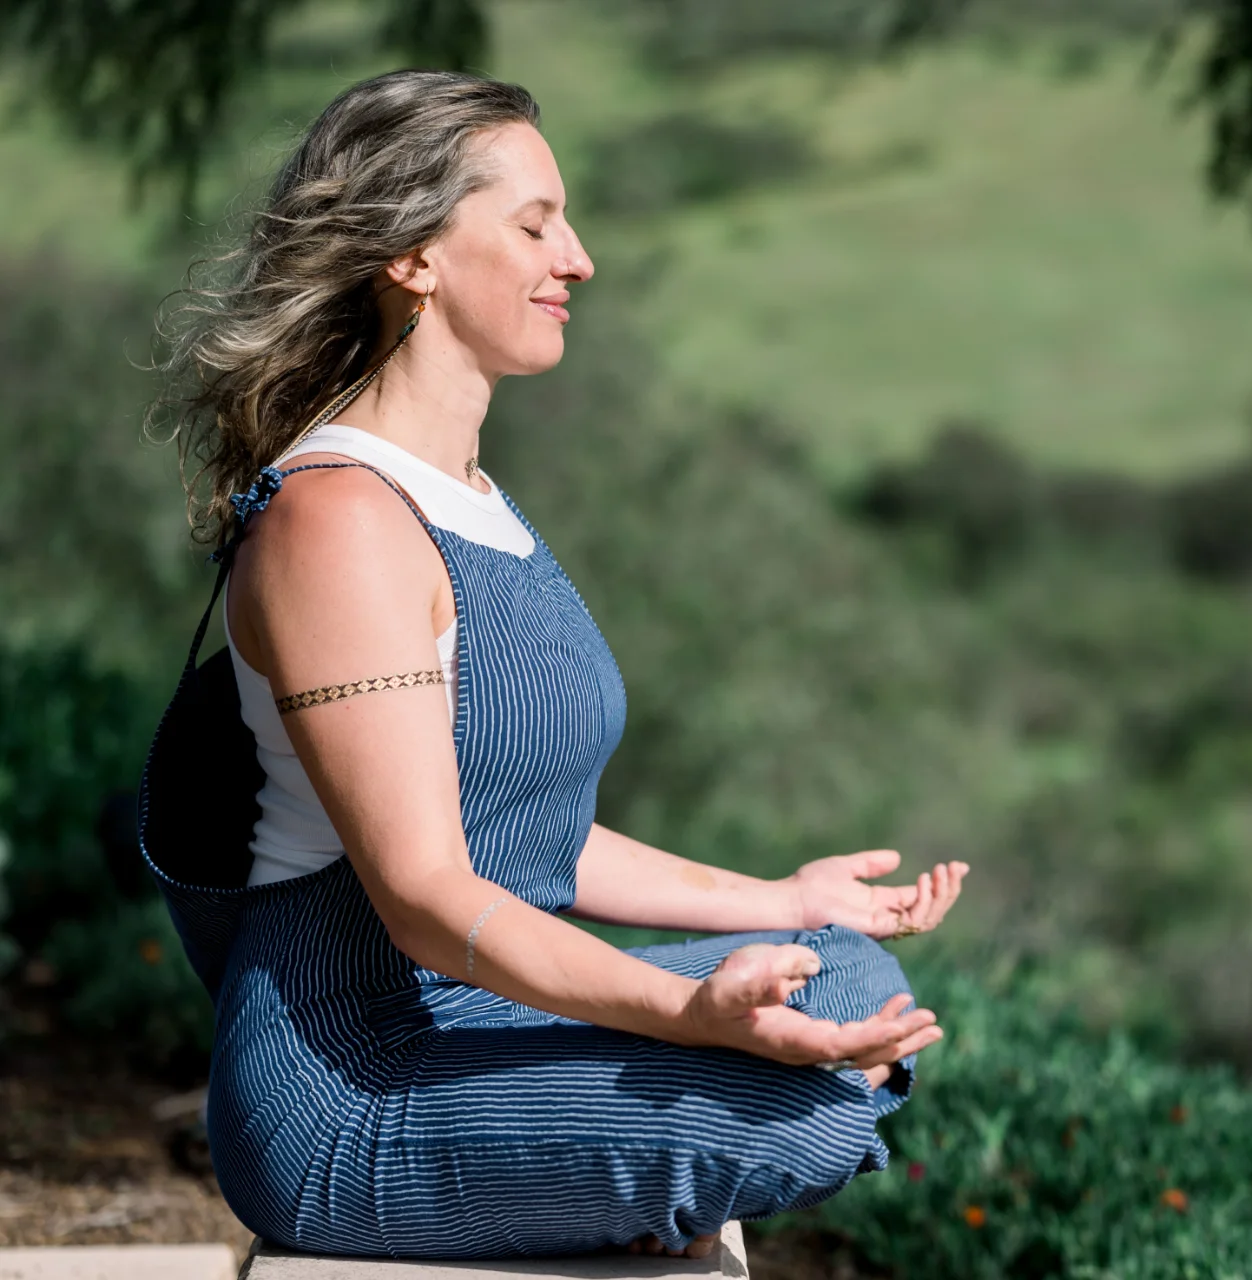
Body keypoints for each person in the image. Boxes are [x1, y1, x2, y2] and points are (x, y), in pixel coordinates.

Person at [137, 68, 967, 1261]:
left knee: (842, 972)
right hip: (352, 1080)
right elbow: (427, 893)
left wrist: (783, 900)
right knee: (801, 1103)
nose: (576, 257)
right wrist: (688, 1012)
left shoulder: (470, 501)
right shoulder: (340, 525)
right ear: (414, 256)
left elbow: (534, 840)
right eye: (533, 225)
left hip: (484, 1004)